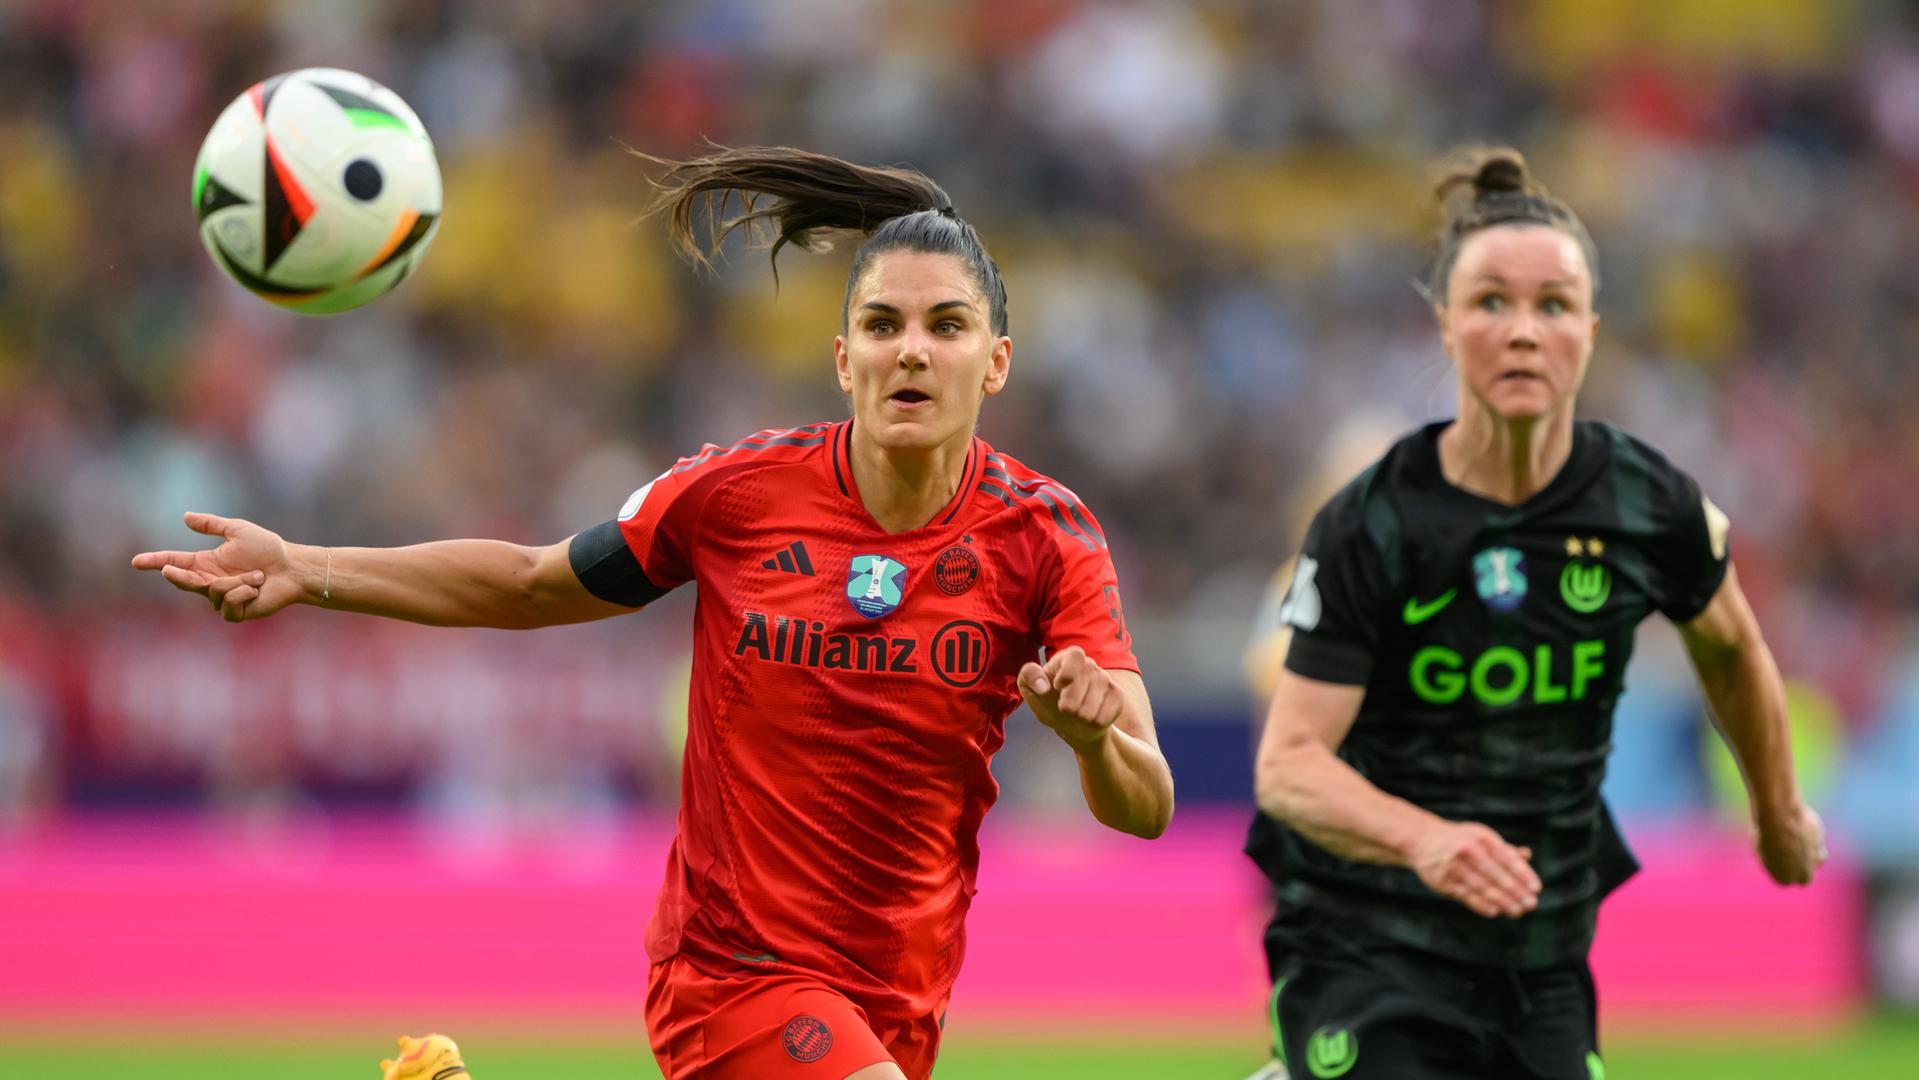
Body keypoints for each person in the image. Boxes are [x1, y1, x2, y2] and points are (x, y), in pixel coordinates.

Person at [132, 146, 1175, 1080]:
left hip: (900, 992)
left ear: (994, 360)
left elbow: (1146, 802)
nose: (912, 350)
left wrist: (1093, 743)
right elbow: (535, 583)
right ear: (842, 356)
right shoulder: (737, 495)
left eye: (947, 326)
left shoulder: (1047, 536)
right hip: (732, 973)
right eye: (882, 324)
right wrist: (308, 566)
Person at [1244, 147, 1825, 1080]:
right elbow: (1289, 765)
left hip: (1541, 957)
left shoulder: (1648, 503)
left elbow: (1732, 648)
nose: (1523, 331)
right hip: (1369, 940)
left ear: (1591, 331)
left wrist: (1777, 807)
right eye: (1490, 303)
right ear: (1444, 326)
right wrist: (1423, 838)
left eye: (1552, 305)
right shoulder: (1372, 522)